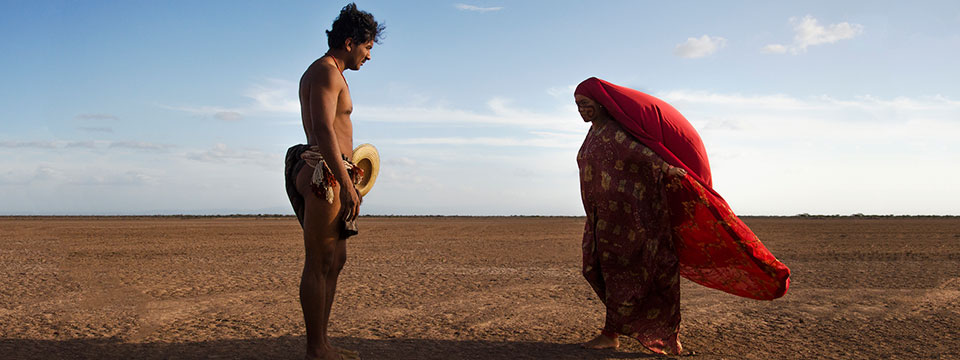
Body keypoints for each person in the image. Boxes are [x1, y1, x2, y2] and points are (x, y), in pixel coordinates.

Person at [574, 77, 791, 355]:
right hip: (602, 221)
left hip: (631, 222)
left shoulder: (615, 133)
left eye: (585, 104)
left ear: (601, 104)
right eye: (578, 105)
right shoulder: (594, 134)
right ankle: (614, 331)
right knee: (597, 270)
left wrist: (670, 170)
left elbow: (644, 157)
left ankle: (641, 334)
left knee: (633, 276)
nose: (581, 110)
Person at [283, 3, 383, 359]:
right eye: (367, 47)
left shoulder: (327, 72)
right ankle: (315, 349)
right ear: (349, 41)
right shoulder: (326, 72)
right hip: (325, 173)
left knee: (335, 259)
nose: (368, 56)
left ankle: (322, 343)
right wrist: (347, 183)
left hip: (333, 171)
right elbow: (324, 129)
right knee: (319, 260)